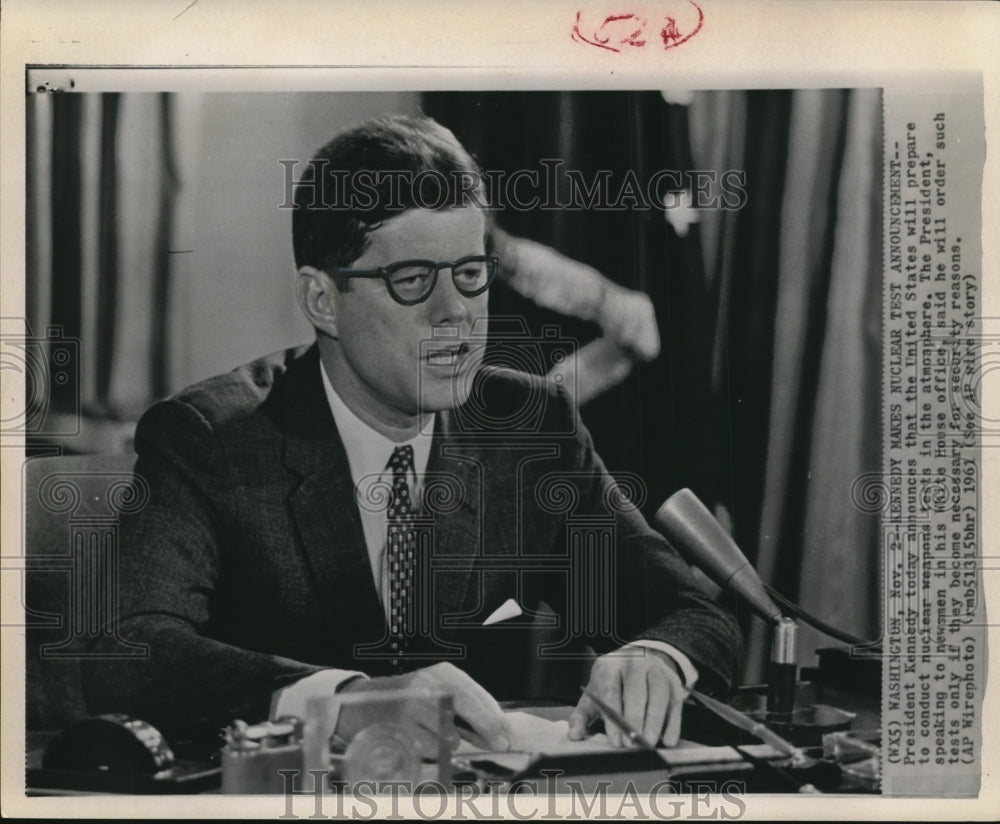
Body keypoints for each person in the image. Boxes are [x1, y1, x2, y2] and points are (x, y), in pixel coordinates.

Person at [82, 114, 739, 754]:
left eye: (470, 274)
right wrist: (341, 702)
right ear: (321, 300)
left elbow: (693, 613)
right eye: (413, 280)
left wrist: (654, 658)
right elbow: (127, 649)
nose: (455, 312)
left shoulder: (529, 428)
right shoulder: (212, 438)